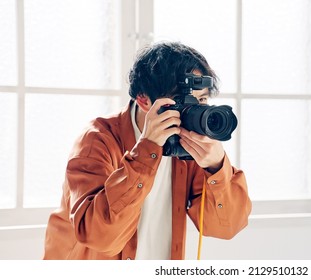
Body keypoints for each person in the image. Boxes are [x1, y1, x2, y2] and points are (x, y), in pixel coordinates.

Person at [43, 41, 252, 260]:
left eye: (201, 100)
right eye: (183, 101)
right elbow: (99, 236)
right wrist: (147, 150)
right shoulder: (97, 140)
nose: (195, 110)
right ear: (144, 100)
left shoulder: (191, 147)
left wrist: (216, 166)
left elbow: (226, 227)